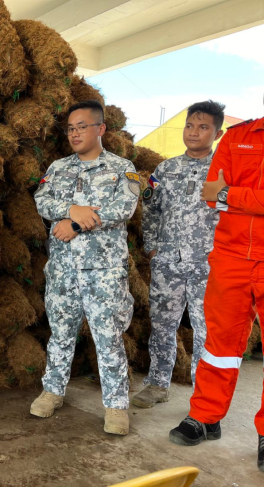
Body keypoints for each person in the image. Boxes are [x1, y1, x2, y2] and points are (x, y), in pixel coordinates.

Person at [31, 100, 139, 435]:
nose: (75, 133)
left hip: (103, 271)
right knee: (61, 333)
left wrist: (77, 224)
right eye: (71, 128)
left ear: (101, 129)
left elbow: (125, 206)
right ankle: (52, 391)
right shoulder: (59, 166)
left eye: (82, 126)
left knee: (108, 337)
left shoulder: (122, 168)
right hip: (64, 269)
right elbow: (41, 200)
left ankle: (117, 407)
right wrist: (71, 208)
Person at [169, 115, 264, 473]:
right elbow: (210, 196)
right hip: (231, 258)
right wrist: (226, 195)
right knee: (219, 345)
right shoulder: (239, 137)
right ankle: (205, 417)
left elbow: (221, 193)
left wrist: (230, 193)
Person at [132, 101, 224, 409]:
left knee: (206, 330)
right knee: (162, 324)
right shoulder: (165, 169)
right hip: (168, 262)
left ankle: (203, 393)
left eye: (203, 127)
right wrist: (153, 246)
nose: (194, 132)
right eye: (189, 125)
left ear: (217, 132)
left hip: (208, 264)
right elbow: (151, 208)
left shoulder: (225, 171)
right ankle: (157, 384)